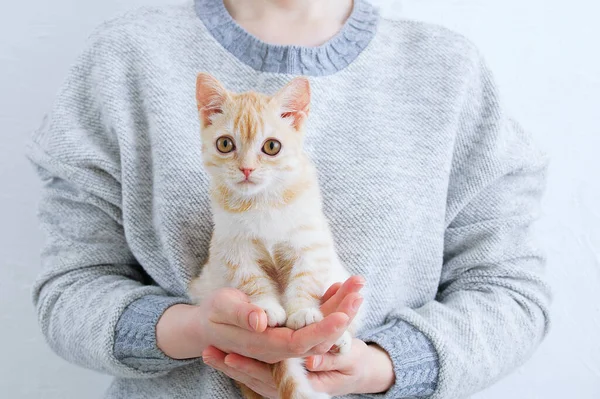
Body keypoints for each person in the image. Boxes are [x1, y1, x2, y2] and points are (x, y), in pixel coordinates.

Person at [26, 0, 551, 398]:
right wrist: (192, 329)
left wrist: (383, 364)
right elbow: (70, 290)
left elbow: (510, 292)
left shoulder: (446, 70)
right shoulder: (127, 57)